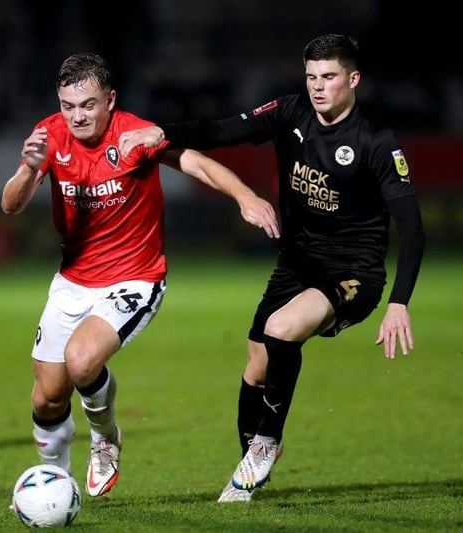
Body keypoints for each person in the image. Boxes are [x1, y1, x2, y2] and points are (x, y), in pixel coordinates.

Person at [119, 33, 425, 502]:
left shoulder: (377, 143)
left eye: (328, 77)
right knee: (256, 366)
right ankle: (249, 473)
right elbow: (225, 129)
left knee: (281, 329)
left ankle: (267, 442)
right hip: (297, 264)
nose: (317, 87)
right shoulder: (291, 112)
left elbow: (413, 228)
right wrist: (165, 132)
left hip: (353, 274)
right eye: (311, 77)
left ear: (353, 79)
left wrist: (399, 302)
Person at [1, 52, 279, 498]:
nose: (76, 116)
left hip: (135, 277)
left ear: (110, 100)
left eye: (87, 105)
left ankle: (106, 437)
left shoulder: (135, 134)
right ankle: (55, 484)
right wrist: (31, 168)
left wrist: (244, 196)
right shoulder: (49, 136)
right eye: (68, 106)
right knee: (46, 397)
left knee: (82, 360)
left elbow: (198, 163)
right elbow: (11, 205)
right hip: (72, 280)